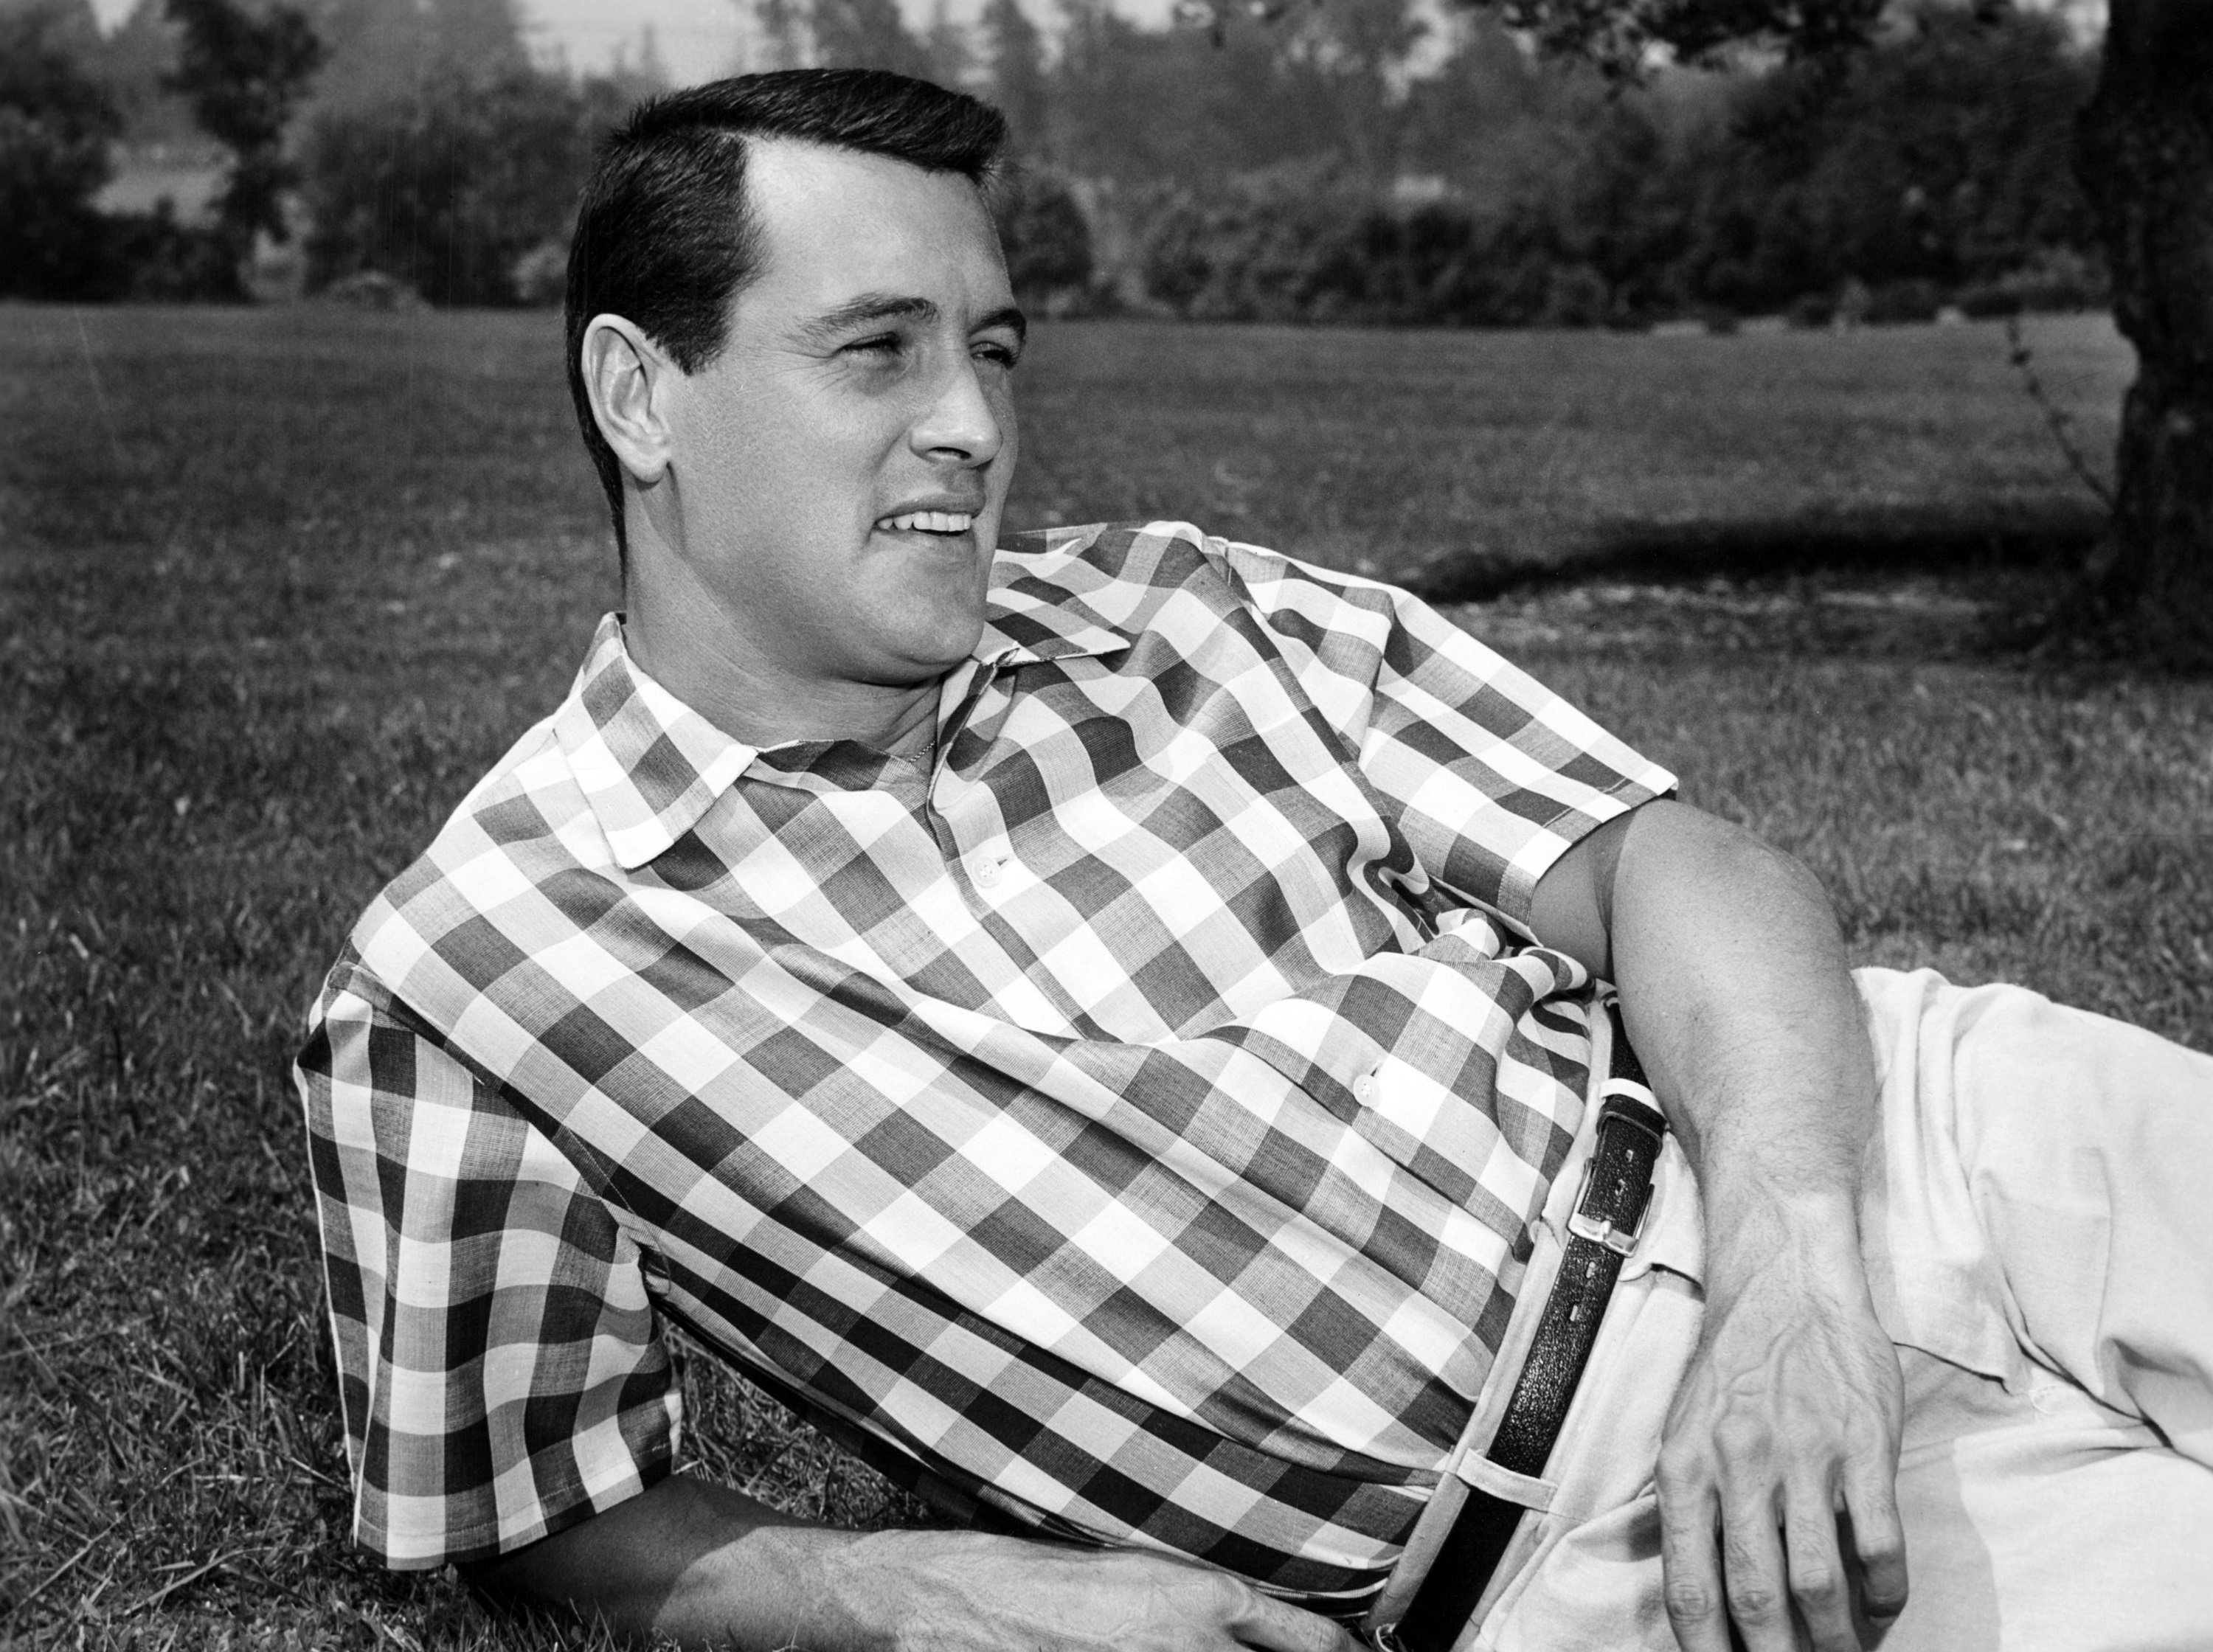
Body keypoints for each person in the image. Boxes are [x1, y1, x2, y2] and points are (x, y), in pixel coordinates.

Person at [294, 68, 2213, 1652]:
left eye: (991, 346)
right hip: (1617, 1556)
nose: (970, 423)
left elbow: (1677, 870)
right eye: (874, 352)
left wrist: (1792, 1271)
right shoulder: (475, 984)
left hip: (1896, 1133)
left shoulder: (1189, 607)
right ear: (642, 396)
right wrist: (939, 1595)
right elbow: (557, 1523)